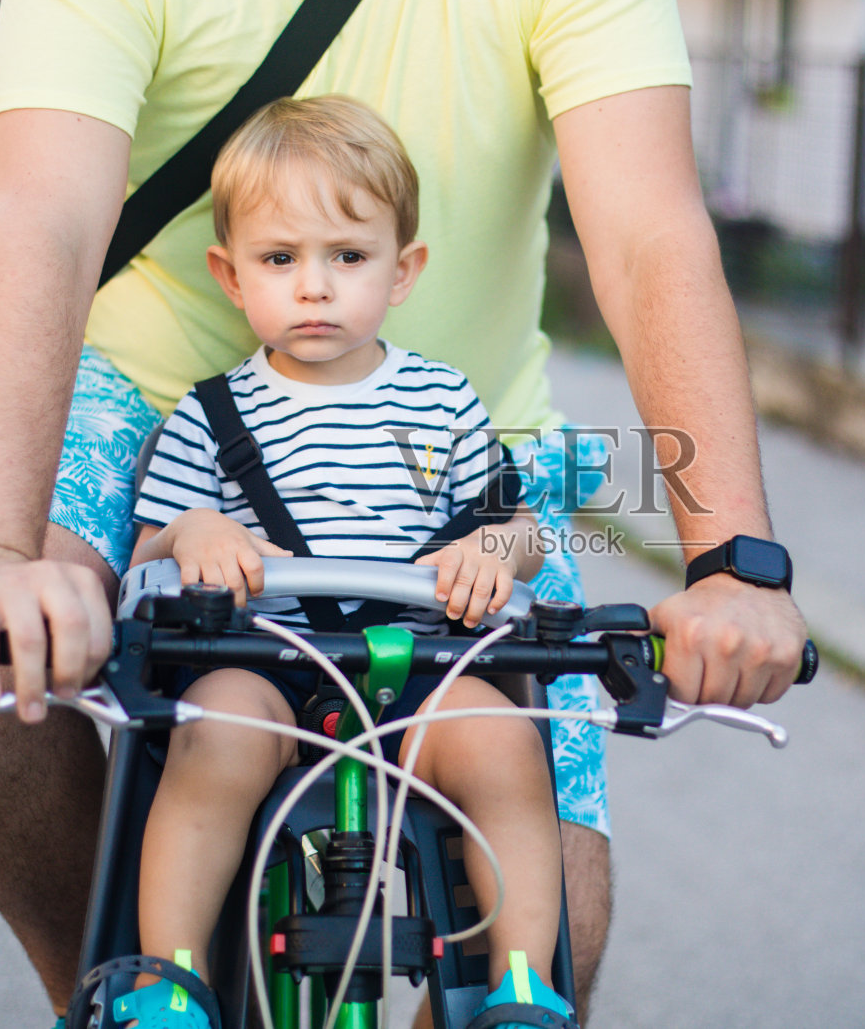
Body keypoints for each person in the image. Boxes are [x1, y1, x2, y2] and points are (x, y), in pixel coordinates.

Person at [0, 0, 810, 1023]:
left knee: (562, 928)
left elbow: (652, 235)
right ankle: (111, 986)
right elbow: (40, 222)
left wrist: (732, 564)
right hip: (158, 399)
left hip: (468, 446)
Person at [113, 94, 571, 1028]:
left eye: (347, 258)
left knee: (505, 742)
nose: (314, 287)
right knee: (215, 732)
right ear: (230, 275)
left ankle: (522, 984)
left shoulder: (444, 401)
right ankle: (172, 978)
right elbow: (148, 550)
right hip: (266, 666)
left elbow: (519, 528)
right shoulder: (210, 414)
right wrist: (191, 529)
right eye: (281, 259)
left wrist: (495, 543)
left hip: (416, 671)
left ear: (402, 273)